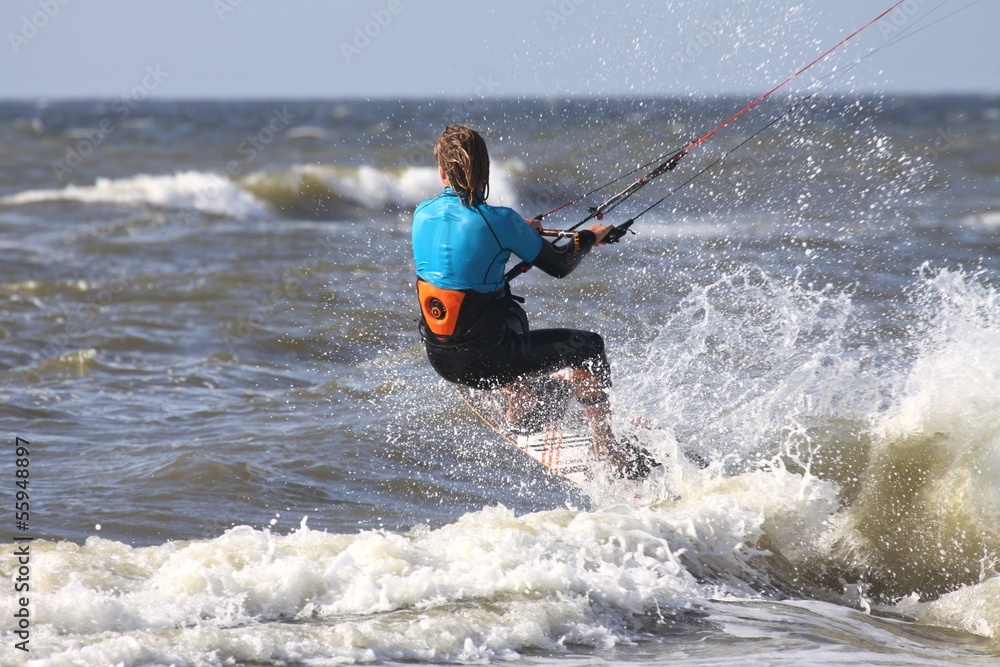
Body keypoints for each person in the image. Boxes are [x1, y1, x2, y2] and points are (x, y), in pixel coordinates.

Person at [411, 125, 657, 480]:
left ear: (442, 172)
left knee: (491, 302)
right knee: (588, 348)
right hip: (488, 361)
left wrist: (521, 231)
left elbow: (466, 242)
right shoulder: (501, 222)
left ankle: (518, 388)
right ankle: (607, 449)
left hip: (441, 358)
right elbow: (559, 264)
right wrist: (591, 236)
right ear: (485, 170)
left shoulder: (422, 214)